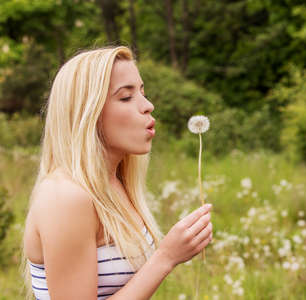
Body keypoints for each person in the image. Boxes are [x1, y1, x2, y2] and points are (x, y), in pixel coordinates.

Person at [22, 46, 213, 299]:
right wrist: (166, 257)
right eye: (126, 97)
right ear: (87, 112)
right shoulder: (66, 197)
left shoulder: (115, 182)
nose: (147, 106)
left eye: (143, 93)